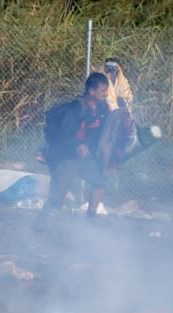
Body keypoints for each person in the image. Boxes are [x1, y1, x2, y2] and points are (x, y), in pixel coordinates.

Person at [36, 72, 111, 226]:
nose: (106, 94)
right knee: (57, 197)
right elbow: (63, 135)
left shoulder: (102, 109)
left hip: (84, 158)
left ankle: (91, 218)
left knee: (100, 181)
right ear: (91, 91)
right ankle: (40, 225)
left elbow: (107, 129)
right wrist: (77, 145)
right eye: (103, 90)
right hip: (65, 157)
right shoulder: (76, 109)